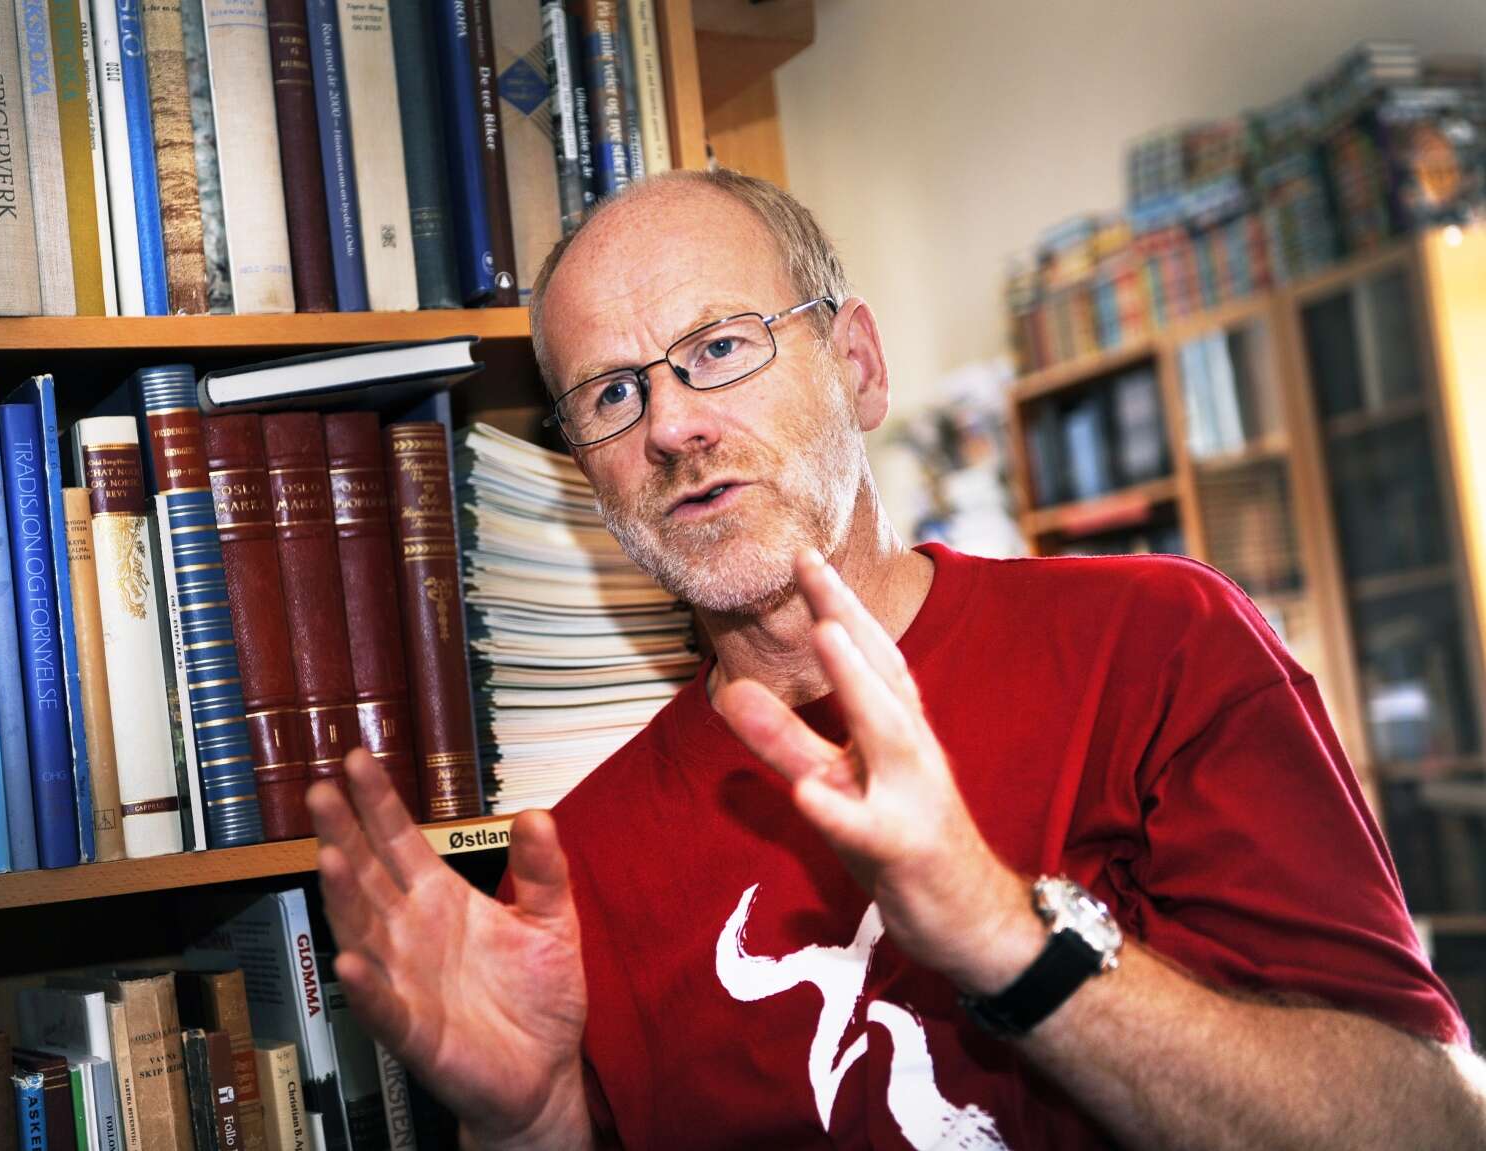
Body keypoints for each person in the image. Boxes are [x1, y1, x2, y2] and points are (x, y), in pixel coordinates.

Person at [306, 169, 1486, 1149]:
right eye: (612, 392)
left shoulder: (1156, 643)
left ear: (858, 365)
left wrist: (1001, 934)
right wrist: (532, 1126)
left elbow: (1427, 1122)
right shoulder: (572, 872)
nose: (669, 425)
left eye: (717, 345)